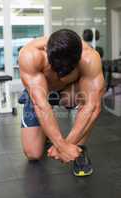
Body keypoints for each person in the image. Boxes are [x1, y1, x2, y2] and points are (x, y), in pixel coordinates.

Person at [18, 29, 105, 176]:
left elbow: (92, 107)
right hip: (40, 91)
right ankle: (47, 134)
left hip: (70, 91)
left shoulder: (89, 58)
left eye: (68, 69)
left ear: (79, 58)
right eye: (55, 68)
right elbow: (41, 105)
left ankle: (80, 148)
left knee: (90, 100)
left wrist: (67, 145)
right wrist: (59, 144)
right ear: (46, 50)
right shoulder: (31, 55)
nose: (60, 74)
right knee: (33, 153)